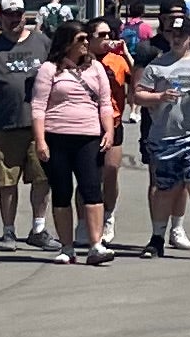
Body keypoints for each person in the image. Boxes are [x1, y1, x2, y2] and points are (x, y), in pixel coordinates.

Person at [35, 16, 127, 263]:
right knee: (62, 192)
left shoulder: (95, 68)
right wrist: (40, 140)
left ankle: (96, 244)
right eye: (81, 39)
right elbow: (38, 107)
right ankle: (67, 247)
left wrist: (108, 130)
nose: (87, 43)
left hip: (88, 136)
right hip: (57, 136)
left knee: (91, 189)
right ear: (67, 43)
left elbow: (105, 103)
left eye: (87, 38)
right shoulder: (49, 69)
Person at [134, 14, 190, 259]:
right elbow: (138, 96)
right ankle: (157, 238)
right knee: (165, 188)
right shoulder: (157, 66)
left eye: (181, 35)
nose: (176, 39)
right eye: (172, 34)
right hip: (164, 137)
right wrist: (160, 97)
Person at [0, 0, 53, 252]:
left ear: (25, 15)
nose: (14, 19)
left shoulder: (43, 43)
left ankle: (38, 229)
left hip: (40, 125)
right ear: (1, 17)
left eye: (18, 14)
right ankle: (8, 231)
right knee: (7, 181)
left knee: (42, 177)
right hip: (4, 125)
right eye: (8, 14)